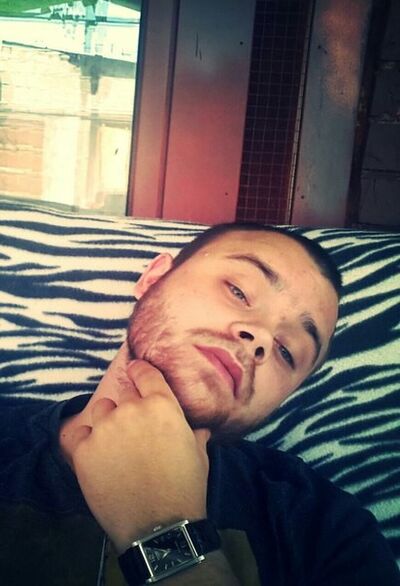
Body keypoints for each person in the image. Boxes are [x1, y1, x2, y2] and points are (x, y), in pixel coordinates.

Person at [0, 223, 399, 585]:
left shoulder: (327, 533)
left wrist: (162, 532)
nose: (261, 337)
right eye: (238, 291)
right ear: (153, 279)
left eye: (287, 351)